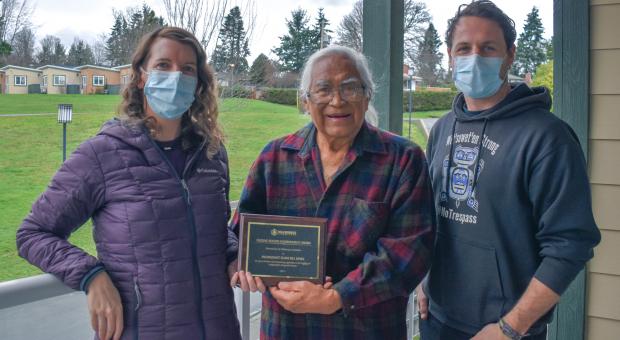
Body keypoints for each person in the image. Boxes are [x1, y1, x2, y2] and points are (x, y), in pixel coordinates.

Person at [16, 27, 241, 340]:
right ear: (141, 77)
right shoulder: (102, 154)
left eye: (187, 69)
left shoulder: (212, 154)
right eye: (163, 65)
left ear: (198, 82)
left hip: (218, 328)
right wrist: (91, 276)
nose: (176, 76)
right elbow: (33, 234)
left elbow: (216, 231)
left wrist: (234, 254)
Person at [416, 1, 601, 340]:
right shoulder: (443, 129)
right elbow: (434, 218)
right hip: (437, 318)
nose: (475, 57)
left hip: (506, 330)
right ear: (450, 56)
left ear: (510, 55)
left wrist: (510, 327)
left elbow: (570, 244)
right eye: (464, 48)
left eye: (488, 48)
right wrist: (425, 279)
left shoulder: (547, 138)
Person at [227, 45, 435, 339]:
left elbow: (410, 251)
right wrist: (240, 262)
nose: (337, 100)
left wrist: (337, 297)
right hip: (286, 330)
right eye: (323, 89)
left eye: (350, 88)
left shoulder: (402, 160)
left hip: (367, 331)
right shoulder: (273, 158)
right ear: (306, 100)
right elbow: (241, 231)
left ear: (367, 96)